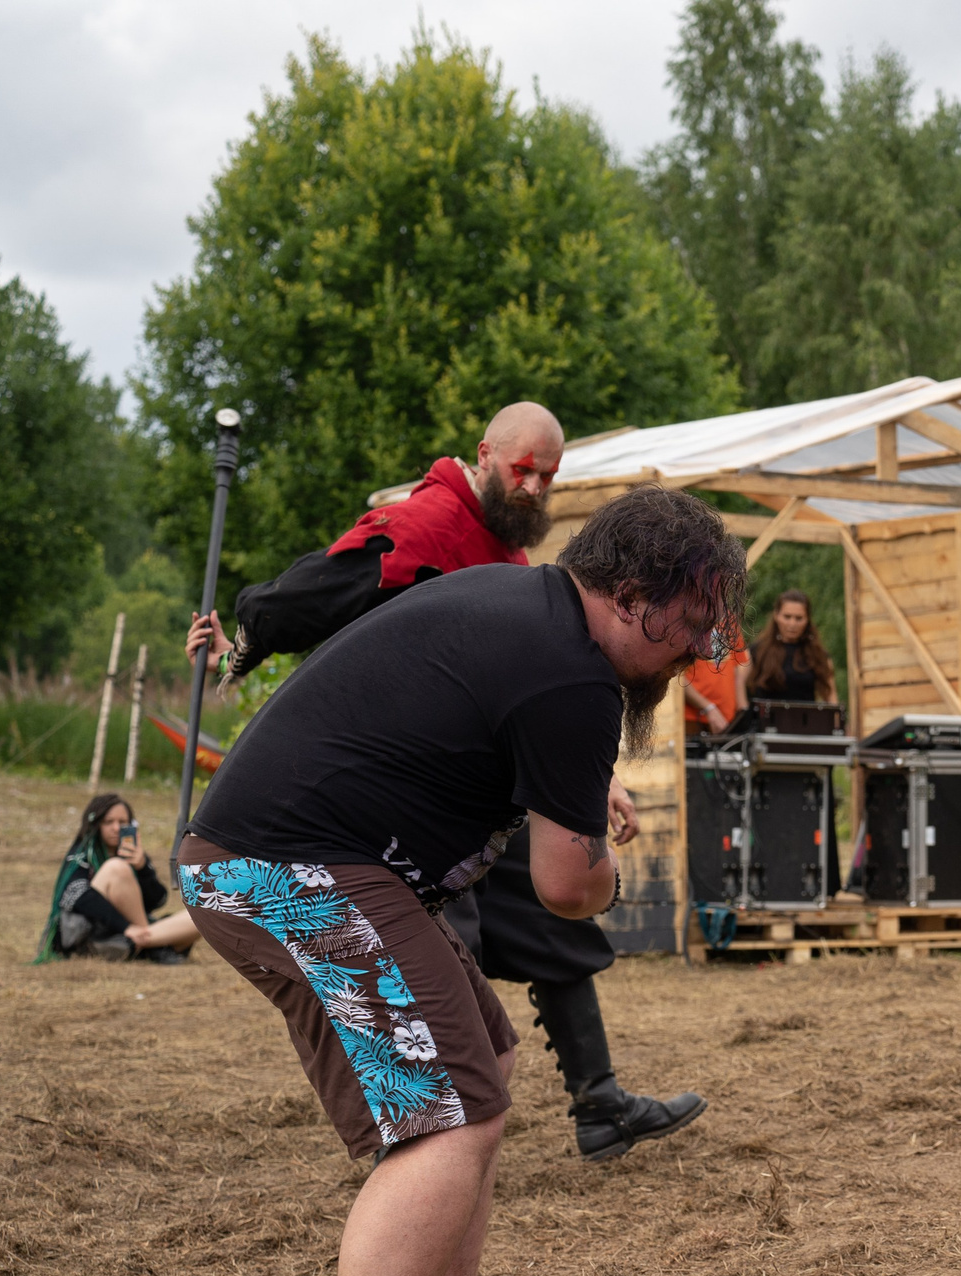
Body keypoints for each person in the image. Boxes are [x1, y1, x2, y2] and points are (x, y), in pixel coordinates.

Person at [177, 485, 746, 1276]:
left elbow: (469, 726)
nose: (698, 651)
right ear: (630, 593)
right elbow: (570, 887)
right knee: (446, 1113)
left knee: (483, 1057)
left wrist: (566, 786)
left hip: (284, 859)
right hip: (288, 869)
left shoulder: (534, 617)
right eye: (692, 623)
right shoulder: (572, 674)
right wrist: (609, 873)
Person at [189, 402, 706, 1161]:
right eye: (521, 468)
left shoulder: (514, 561)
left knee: (545, 915)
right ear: (485, 456)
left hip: (474, 789)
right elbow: (318, 592)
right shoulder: (427, 526)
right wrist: (247, 635)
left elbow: (532, 702)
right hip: (380, 811)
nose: (533, 486)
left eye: (547, 475)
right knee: (438, 1003)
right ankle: (426, 1133)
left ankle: (597, 1102)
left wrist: (585, 783)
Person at [37, 793, 202, 963]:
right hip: (96, 932)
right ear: (96, 824)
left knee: (200, 915)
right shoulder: (81, 854)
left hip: (132, 931)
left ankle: (145, 943)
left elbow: (158, 901)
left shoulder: (134, 854)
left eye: (122, 822)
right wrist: (127, 927)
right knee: (116, 868)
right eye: (109, 822)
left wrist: (143, 867)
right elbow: (76, 896)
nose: (116, 828)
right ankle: (154, 945)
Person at [750, 589, 836, 705]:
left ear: (807, 620)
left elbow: (830, 695)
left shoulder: (818, 654)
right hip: (767, 720)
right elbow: (737, 683)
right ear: (776, 616)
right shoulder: (758, 651)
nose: (792, 624)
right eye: (787, 617)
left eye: (799, 618)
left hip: (806, 720)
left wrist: (835, 720)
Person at [683, 644, 751, 734]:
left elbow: (742, 661)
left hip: (728, 720)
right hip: (692, 720)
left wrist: (742, 709)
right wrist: (708, 707)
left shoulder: (732, 629)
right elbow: (677, 677)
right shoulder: (686, 630)